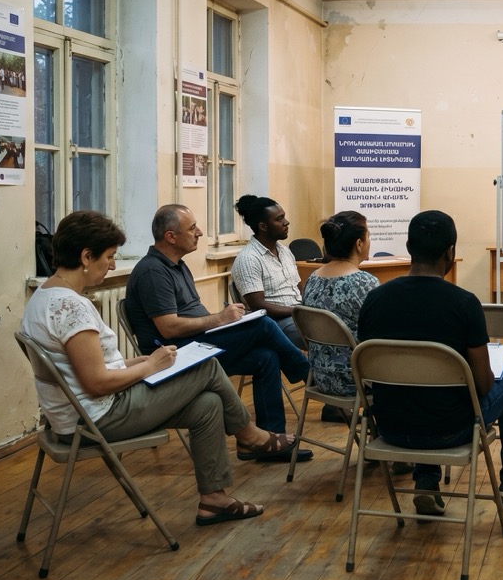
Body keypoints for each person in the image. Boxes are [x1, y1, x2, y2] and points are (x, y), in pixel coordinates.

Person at [22, 211, 301, 526]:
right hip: (97, 418)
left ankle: (214, 500)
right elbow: (96, 383)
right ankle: (250, 435)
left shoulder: (44, 297)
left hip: (78, 416)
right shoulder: (72, 308)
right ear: (86, 256)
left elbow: (84, 368)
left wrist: (140, 361)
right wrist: (150, 366)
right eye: (109, 257)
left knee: (208, 404)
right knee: (207, 365)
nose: (112, 265)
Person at [357, 210, 503, 522]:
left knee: (419, 389)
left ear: (409, 247)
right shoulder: (463, 303)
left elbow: (368, 373)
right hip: (450, 431)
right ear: (450, 252)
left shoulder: (375, 299)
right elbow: (483, 385)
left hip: (389, 427)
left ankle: (426, 481)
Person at [125, 204, 311, 458]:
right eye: (192, 228)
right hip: (175, 355)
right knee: (264, 325)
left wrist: (226, 322)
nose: (199, 232)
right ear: (170, 237)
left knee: (266, 357)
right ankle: (309, 375)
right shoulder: (153, 272)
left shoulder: (177, 265)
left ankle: (265, 441)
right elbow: (168, 328)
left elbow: (193, 317)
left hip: (196, 343)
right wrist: (220, 319)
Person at [302, 211, 379, 398]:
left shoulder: (313, 278)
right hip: (358, 380)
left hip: (320, 376)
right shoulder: (364, 283)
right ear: (359, 244)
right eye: (368, 236)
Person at [231, 194, 305, 348]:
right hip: (274, 322)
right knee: (325, 333)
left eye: (284, 217)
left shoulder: (285, 251)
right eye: (279, 219)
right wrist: (299, 311)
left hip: (297, 314)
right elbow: (258, 306)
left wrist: (311, 307)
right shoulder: (248, 258)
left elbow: (298, 287)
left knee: (339, 323)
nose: (286, 222)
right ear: (263, 227)